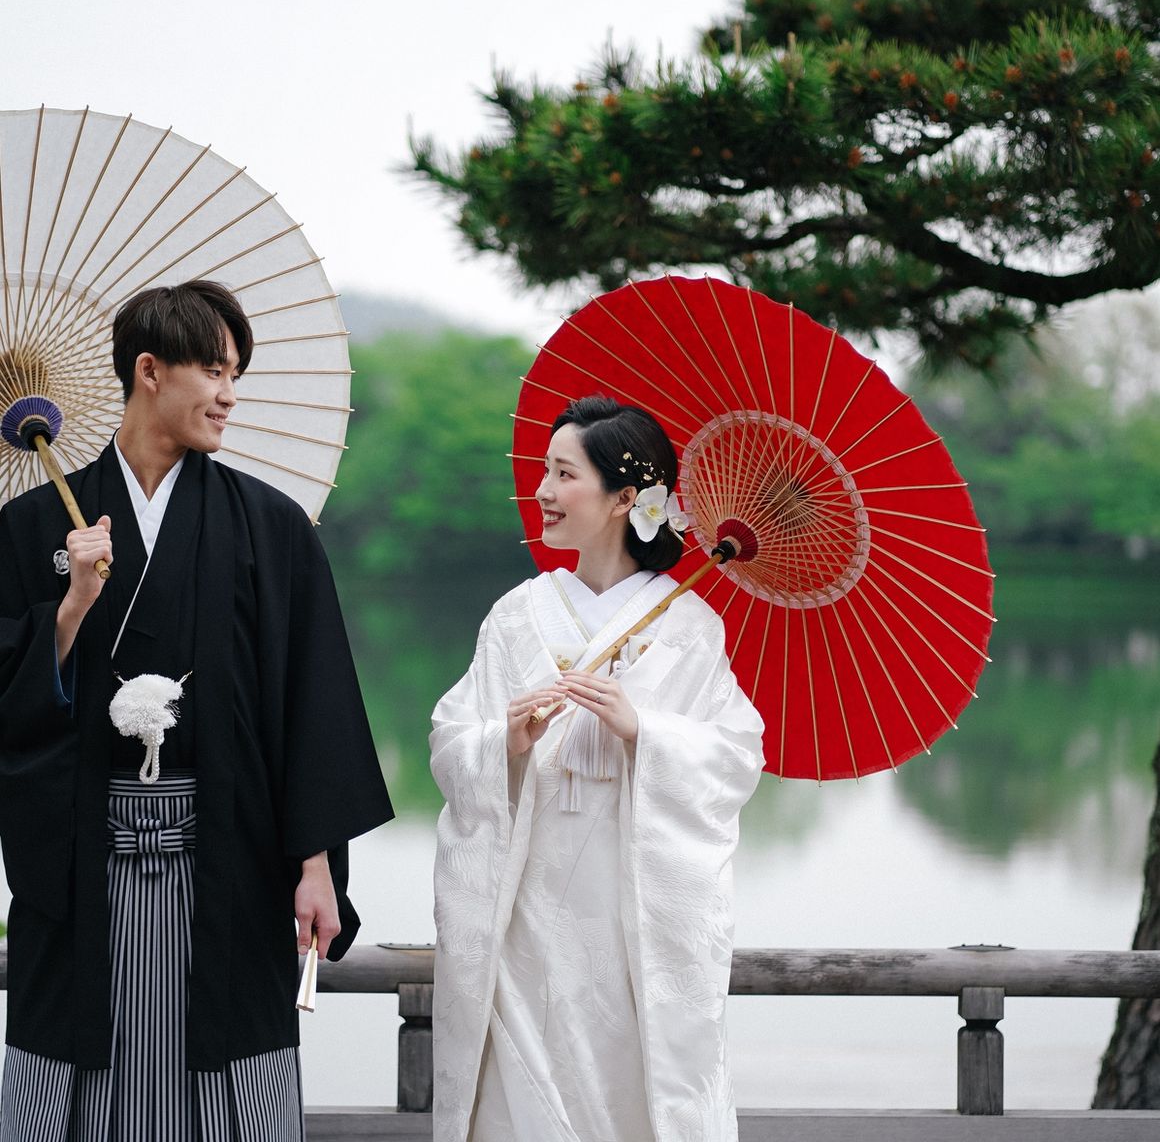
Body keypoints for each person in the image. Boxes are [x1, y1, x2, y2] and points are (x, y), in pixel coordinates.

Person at [0, 280, 394, 1140]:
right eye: (213, 371)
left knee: (225, 1077)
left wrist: (317, 863)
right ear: (149, 370)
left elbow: (311, 702)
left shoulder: (271, 527)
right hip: (82, 862)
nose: (228, 395)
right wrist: (69, 608)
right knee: (79, 1078)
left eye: (235, 375)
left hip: (230, 859)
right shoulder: (32, 528)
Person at [429, 395, 765, 1142]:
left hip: (630, 920)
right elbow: (451, 739)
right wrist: (505, 739)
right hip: (522, 912)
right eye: (545, 471)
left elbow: (737, 756)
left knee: (626, 1095)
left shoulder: (688, 626)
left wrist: (646, 731)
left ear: (624, 499)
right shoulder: (516, 615)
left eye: (564, 474)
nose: (543, 491)